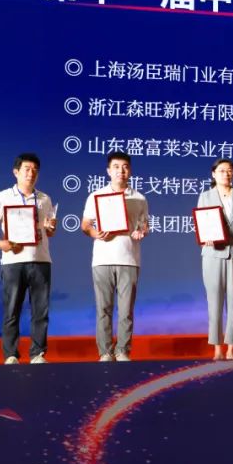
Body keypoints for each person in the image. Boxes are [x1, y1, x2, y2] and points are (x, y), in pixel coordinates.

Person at [0, 153, 56, 364]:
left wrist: (51, 228)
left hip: (41, 259)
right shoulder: (3, 197)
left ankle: (37, 353)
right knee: (12, 309)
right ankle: (11, 354)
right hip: (12, 260)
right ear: (16, 172)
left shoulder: (44, 199)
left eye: (35, 170)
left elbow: (49, 231)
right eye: (26, 169)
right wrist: (0, 243)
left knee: (40, 310)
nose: (31, 173)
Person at [81, 151, 149, 362]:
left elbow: (144, 225)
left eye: (125, 167)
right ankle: (105, 352)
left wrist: (141, 231)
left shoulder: (139, 198)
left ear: (130, 170)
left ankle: (123, 351)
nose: (121, 171)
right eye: (116, 167)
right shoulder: (96, 196)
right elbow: (85, 225)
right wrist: (95, 233)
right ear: (108, 171)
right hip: (102, 259)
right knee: (104, 308)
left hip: (129, 259)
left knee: (126, 310)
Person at [198, 158, 233, 360]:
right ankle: (217, 349)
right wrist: (205, 237)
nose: (226, 174)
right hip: (213, 253)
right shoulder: (205, 196)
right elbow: (202, 223)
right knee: (214, 302)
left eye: (230, 170)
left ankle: (230, 348)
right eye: (222, 170)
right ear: (213, 174)